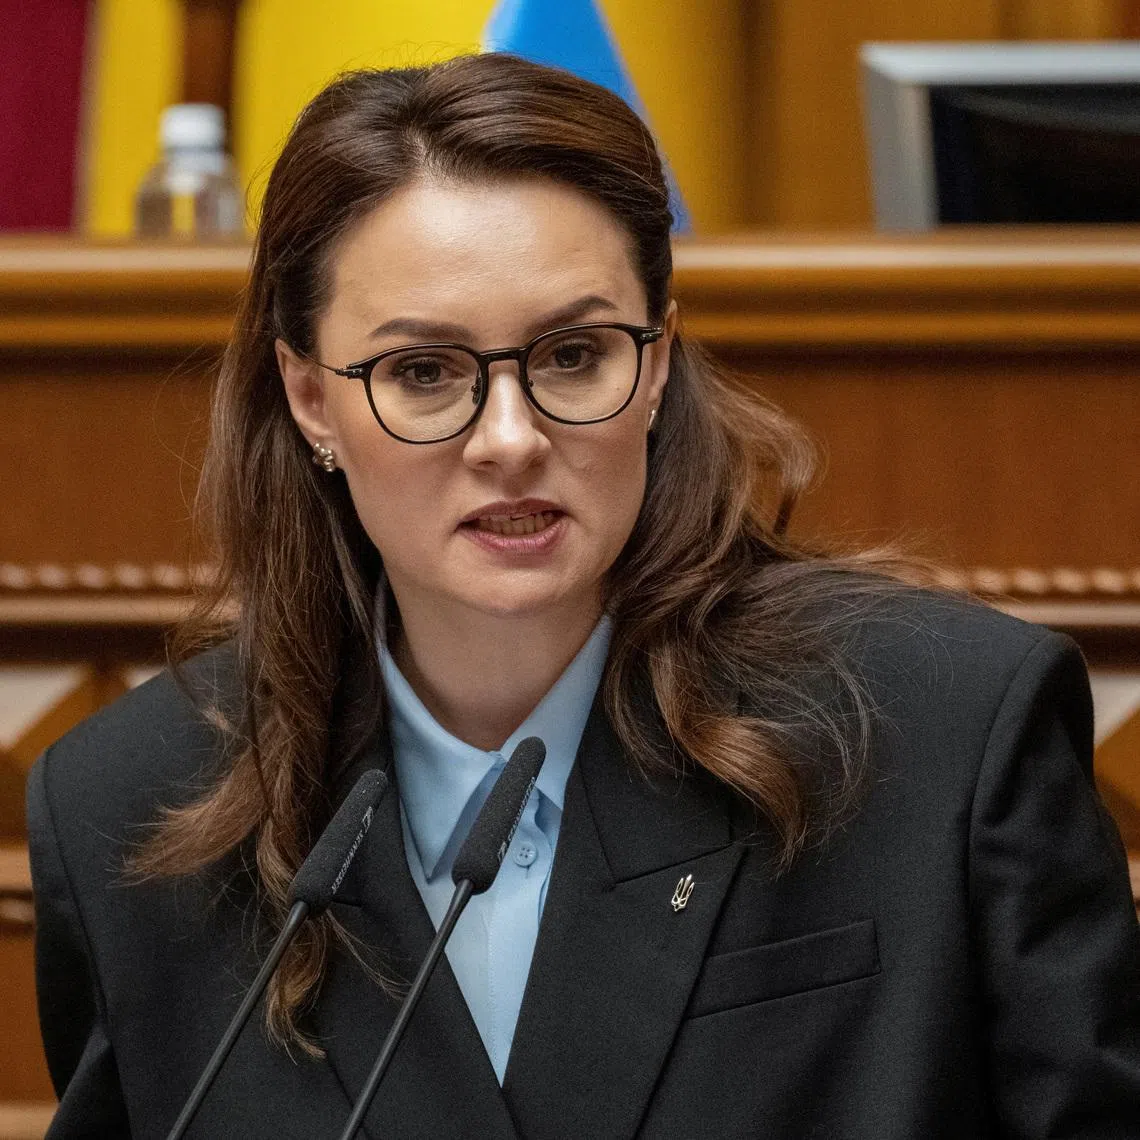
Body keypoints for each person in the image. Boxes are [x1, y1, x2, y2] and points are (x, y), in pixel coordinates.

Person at [27, 53, 1140, 1139]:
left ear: (656, 363)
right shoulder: (125, 808)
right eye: (423, 373)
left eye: (571, 355)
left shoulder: (940, 730)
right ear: (311, 397)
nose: (510, 441)